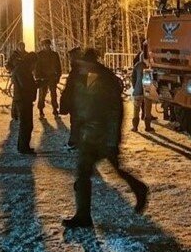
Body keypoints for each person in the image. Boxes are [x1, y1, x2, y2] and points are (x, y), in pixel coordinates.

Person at [63, 48, 148, 229]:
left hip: (102, 136)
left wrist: (112, 139)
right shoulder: (85, 76)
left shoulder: (106, 79)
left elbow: (115, 111)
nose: (82, 68)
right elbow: (82, 105)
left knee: (114, 169)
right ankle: (83, 215)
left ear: (92, 63)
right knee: (84, 173)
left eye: (84, 64)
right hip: (89, 135)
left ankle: (139, 188)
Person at [12, 51, 38, 155]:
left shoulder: (22, 68)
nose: (34, 66)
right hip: (23, 100)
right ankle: (23, 147)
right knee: (26, 124)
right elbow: (26, 85)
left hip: (23, 99)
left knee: (26, 124)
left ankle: (23, 146)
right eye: (34, 64)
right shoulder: (22, 70)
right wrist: (37, 85)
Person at [59, 47, 83, 149]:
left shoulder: (77, 69)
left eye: (71, 57)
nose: (69, 60)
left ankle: (74, 143)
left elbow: (72, 86)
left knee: (76, 122)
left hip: (77, 100)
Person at [35, 39, 62, 118]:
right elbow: (37, 67)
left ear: (49, 45)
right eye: (45, 45)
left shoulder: (54, 54)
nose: (46, 46)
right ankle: (41, 110)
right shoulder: (39, 55)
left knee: (54, 94)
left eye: (48, 45)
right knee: (42, 95)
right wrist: (38, 77)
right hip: (43, 78)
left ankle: (55, 109)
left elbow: (58, 66)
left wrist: (58, 76)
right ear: (43, 46)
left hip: (52, 77)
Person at [131, 42, 153, 133]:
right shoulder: (150, 67)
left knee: (136, 109)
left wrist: (134, 86)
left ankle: (135, 127)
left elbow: (133, 77)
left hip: (137, 90)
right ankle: (147, 127)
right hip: (148, 90)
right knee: (147, 109)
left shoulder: (137, 66)